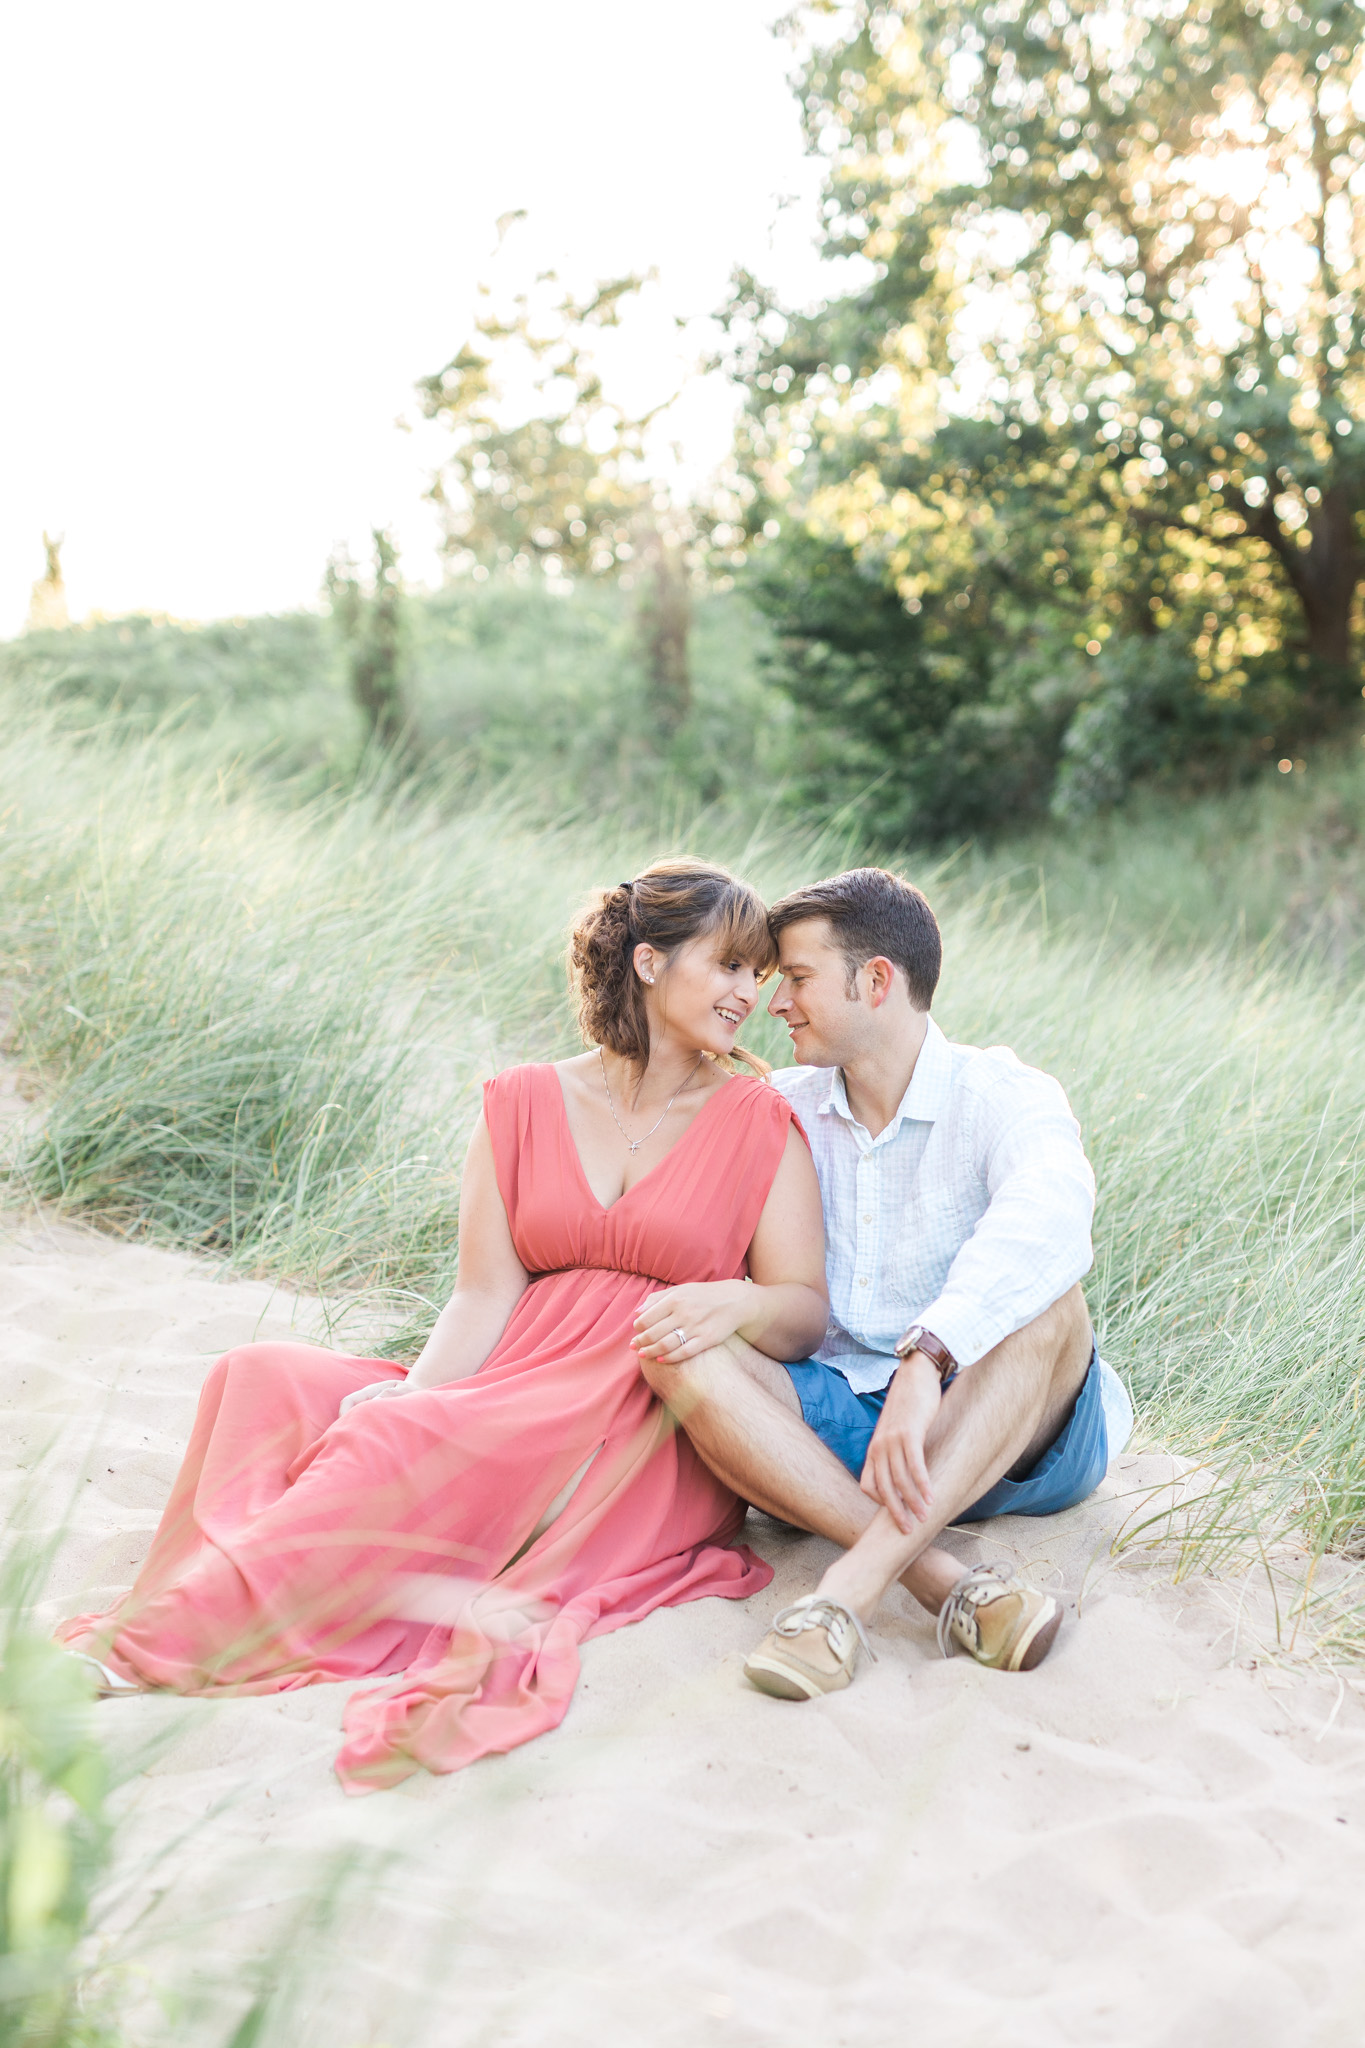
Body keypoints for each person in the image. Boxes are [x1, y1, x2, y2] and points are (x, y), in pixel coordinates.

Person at [60, 859, 829, 1791]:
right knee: (263, 1375)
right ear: (648, 963)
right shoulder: (524, 1103)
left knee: (392, 1438)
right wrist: (415, 1396)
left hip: (634, 1404)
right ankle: (240, 1582)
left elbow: (802, 1315)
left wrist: (738, 1303)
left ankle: (144, 1648)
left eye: (759, 973)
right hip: (514, 1367)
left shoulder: (757, 1117)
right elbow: (480, 1295)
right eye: (729, 966)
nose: (749, 992)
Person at [634, 867, 1133, 1700]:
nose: (774, 1003)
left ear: (874, 982)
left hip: (1007, 1430)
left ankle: (843, 1597)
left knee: (1052, 1298)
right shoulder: (779, 1108)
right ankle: (947, 1582)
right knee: (673, 1346)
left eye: (793, 979)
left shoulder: (1001, 1093)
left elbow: (1050, 1214)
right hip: (839, 1436)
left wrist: (926, 1359)